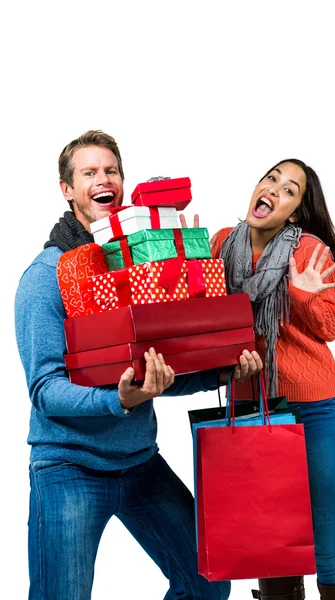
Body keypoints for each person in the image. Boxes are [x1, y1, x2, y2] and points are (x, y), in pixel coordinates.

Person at [14, 130, 262, 600]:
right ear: (67, 190)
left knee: (208, 582)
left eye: (111, 171)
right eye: (89, 172)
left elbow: (152, 371)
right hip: (70, 466)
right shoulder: (44, 277)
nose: (102, 179)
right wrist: (120, 401)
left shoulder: (131, 263)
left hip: (139, 463)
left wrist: (222, 372)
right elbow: (45, 390)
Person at [208, 159, 335, 600]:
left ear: (296, 211)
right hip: (253, 409)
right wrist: (182, 256)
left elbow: (331, 326)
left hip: (315, 409)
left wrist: (301, 294)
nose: (274, 189)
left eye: (290, 189)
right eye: (271, 178)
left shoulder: (308, 250)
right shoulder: (222, 243)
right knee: (272, 550)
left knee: (329, 547)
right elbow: (206, 315)